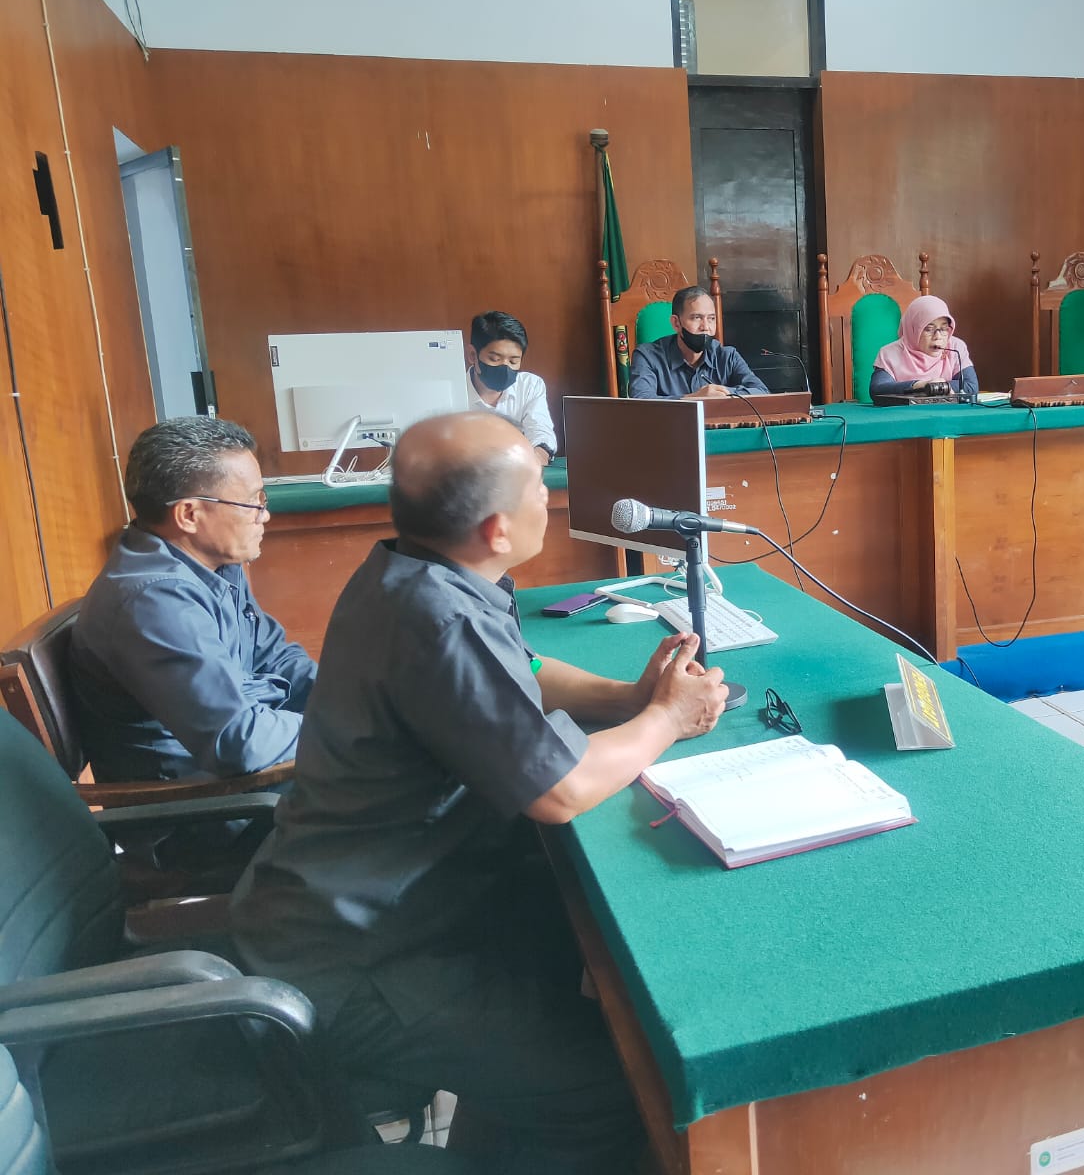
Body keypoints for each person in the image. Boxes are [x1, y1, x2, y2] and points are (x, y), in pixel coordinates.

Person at [230, 411, 729, 1174]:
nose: (549, 498)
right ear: (497, 529)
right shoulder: (437, 615)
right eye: (538, 487)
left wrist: (630, 699)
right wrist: (666, 719)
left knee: (588, 971)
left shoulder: (412, 571)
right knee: (607, 1085)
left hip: (372, 908)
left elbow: (521, 671)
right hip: (366, 960)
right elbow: (559, 790)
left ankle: (501, 1127)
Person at [71, 416, 315, 787]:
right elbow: (238, 740)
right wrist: (343, 729)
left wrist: (354, 704)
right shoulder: (154, 601)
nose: (264, 515)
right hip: (198, 802)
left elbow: (273, 657)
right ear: (189, 514)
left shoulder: (213, 563)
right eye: (252, 502)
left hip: (242, 774)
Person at [626, 285, 769, 399]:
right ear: (676, 323)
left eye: (711, 318)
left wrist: (724, 393)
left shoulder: (727, 356)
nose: (706, 327)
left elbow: (762, 392)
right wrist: (695, 398)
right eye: (696, 318)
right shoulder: (647, 356)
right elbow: (642, 401)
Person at [466, 309, 557, 464]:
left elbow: (540, 431)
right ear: (473, 355)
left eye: (513, 361)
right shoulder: (451, 390)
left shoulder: (529, 386)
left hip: (518, 468)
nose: (505, 367)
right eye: (495, 359)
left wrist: (538, 455)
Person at [869, 295, 978, 405]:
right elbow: (878, 390)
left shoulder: (955, 347)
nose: (938, 336)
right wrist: (919, 385)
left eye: (944, 329)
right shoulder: (889, 353)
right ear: (912, 329)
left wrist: (933, 387)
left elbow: (970, 386)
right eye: (929, 329)